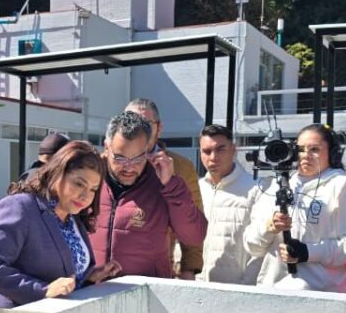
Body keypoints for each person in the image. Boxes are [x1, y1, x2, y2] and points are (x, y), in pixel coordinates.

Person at [0, 141, 122, 307]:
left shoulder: (72, 216)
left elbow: (61, 274)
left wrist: (89, 276)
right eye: (79, 184)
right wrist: (42, 290)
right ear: (57, 173)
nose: (85, 196)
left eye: (93, 189)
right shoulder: (20, 207)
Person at [244, 124, 346, 292]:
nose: (306, 155)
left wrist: (308, 252)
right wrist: (268, 229)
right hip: (273, 292)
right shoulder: (277, 187)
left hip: (323, 295)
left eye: (314, 149)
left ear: (333, 153)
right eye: (300, 149)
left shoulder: (345, 187)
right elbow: (251, 246)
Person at [88, 111, 207, 278]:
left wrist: (171, 185)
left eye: (138, 158)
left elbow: (194, 236)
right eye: (120, 158)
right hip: (92, 292)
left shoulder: (162, 184)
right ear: (107, 148)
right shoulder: (89, 179)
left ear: (148, 151)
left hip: (147, 295)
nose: (129, 167)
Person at [124, 98, 207, 279]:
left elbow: (192, 220)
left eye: (145, 123)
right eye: (130, 121)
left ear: (159, 128)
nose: (138, 129)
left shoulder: (180, 167)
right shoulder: (106, 163)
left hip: (157, 270)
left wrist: (189, 269)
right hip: (109, 271)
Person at [196, 124, 260, 284]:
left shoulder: (255, 189)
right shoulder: (196, 188)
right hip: (196, 286)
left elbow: (261, 248)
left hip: (238, 292)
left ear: (233, 149)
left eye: (220, 149)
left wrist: (247, 286)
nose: (213, 157)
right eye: (207, 151)